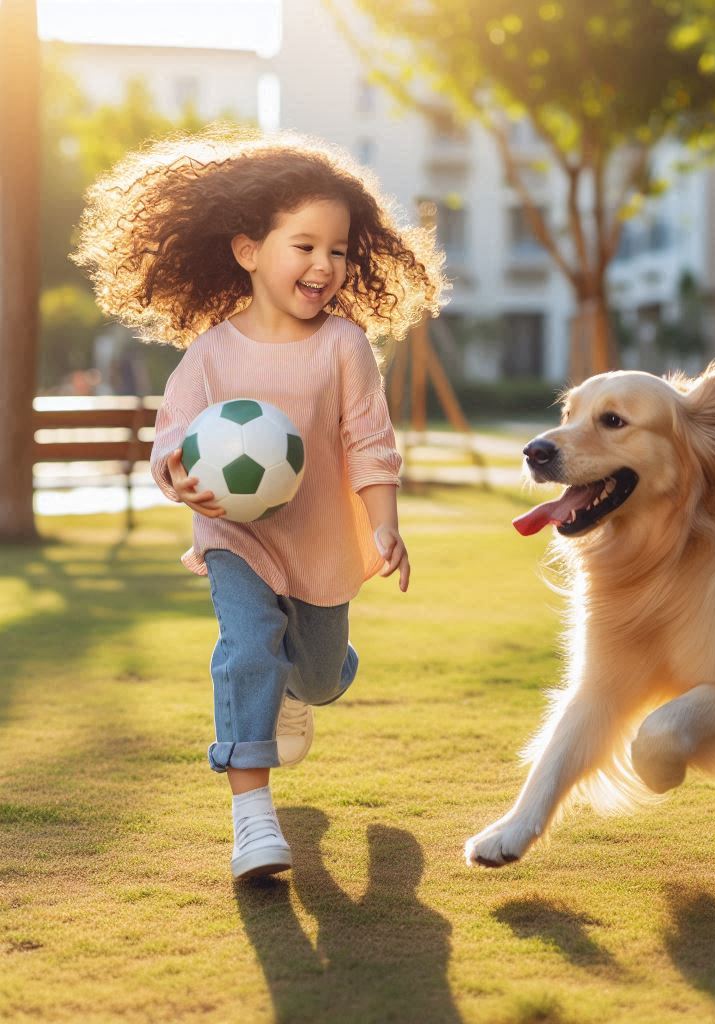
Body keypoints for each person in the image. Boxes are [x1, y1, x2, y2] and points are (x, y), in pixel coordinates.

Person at [73, 129, 445, 880]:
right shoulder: (210, 353)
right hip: (233, 537)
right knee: (246, 649)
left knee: (311, 674)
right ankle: (252, 821)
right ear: (248, 250)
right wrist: (178, 480)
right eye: (304, 245)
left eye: (338, 250)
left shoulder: (342, 345)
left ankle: (309, 678)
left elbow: (370, 441)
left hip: (319, 541)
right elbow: (171, 442)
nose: (324, 265)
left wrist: (385, 525)